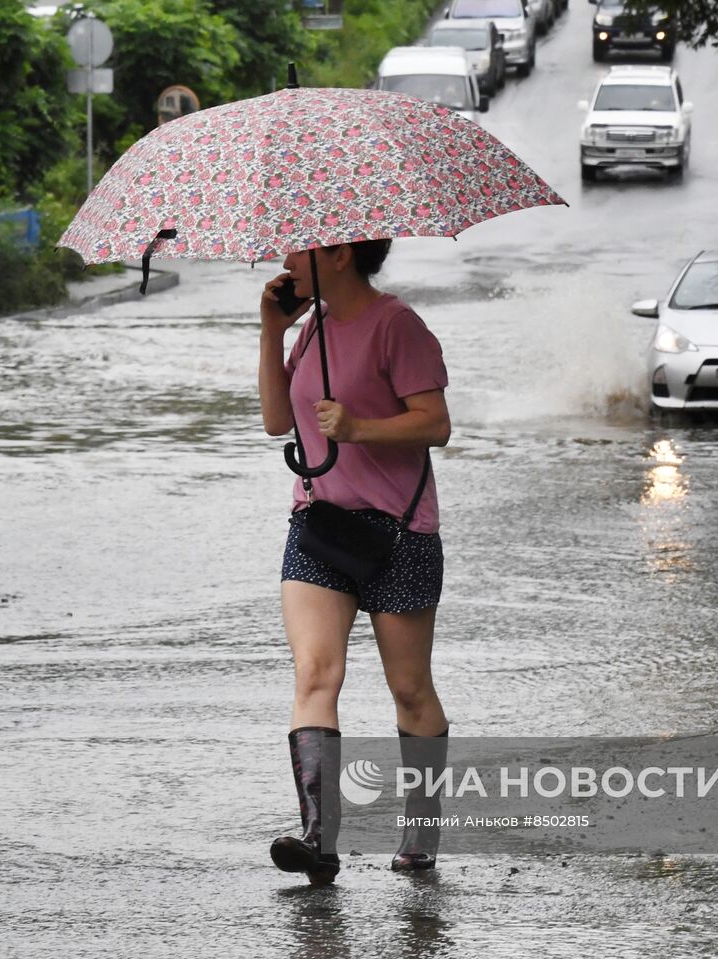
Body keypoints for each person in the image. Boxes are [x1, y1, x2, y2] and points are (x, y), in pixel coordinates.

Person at [257, 238, 451, 885]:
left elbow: (436, 423)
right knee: (315, 674)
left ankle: (421, 829)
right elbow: (275, 419)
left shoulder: (398, 326)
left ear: (339, 255)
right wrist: (270, 333)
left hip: (399, 533)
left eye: (298, 247)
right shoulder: (308, 330)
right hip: (319, 528)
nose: (283, 258)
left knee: (409, 690)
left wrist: (360, 427)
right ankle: (320, 838)